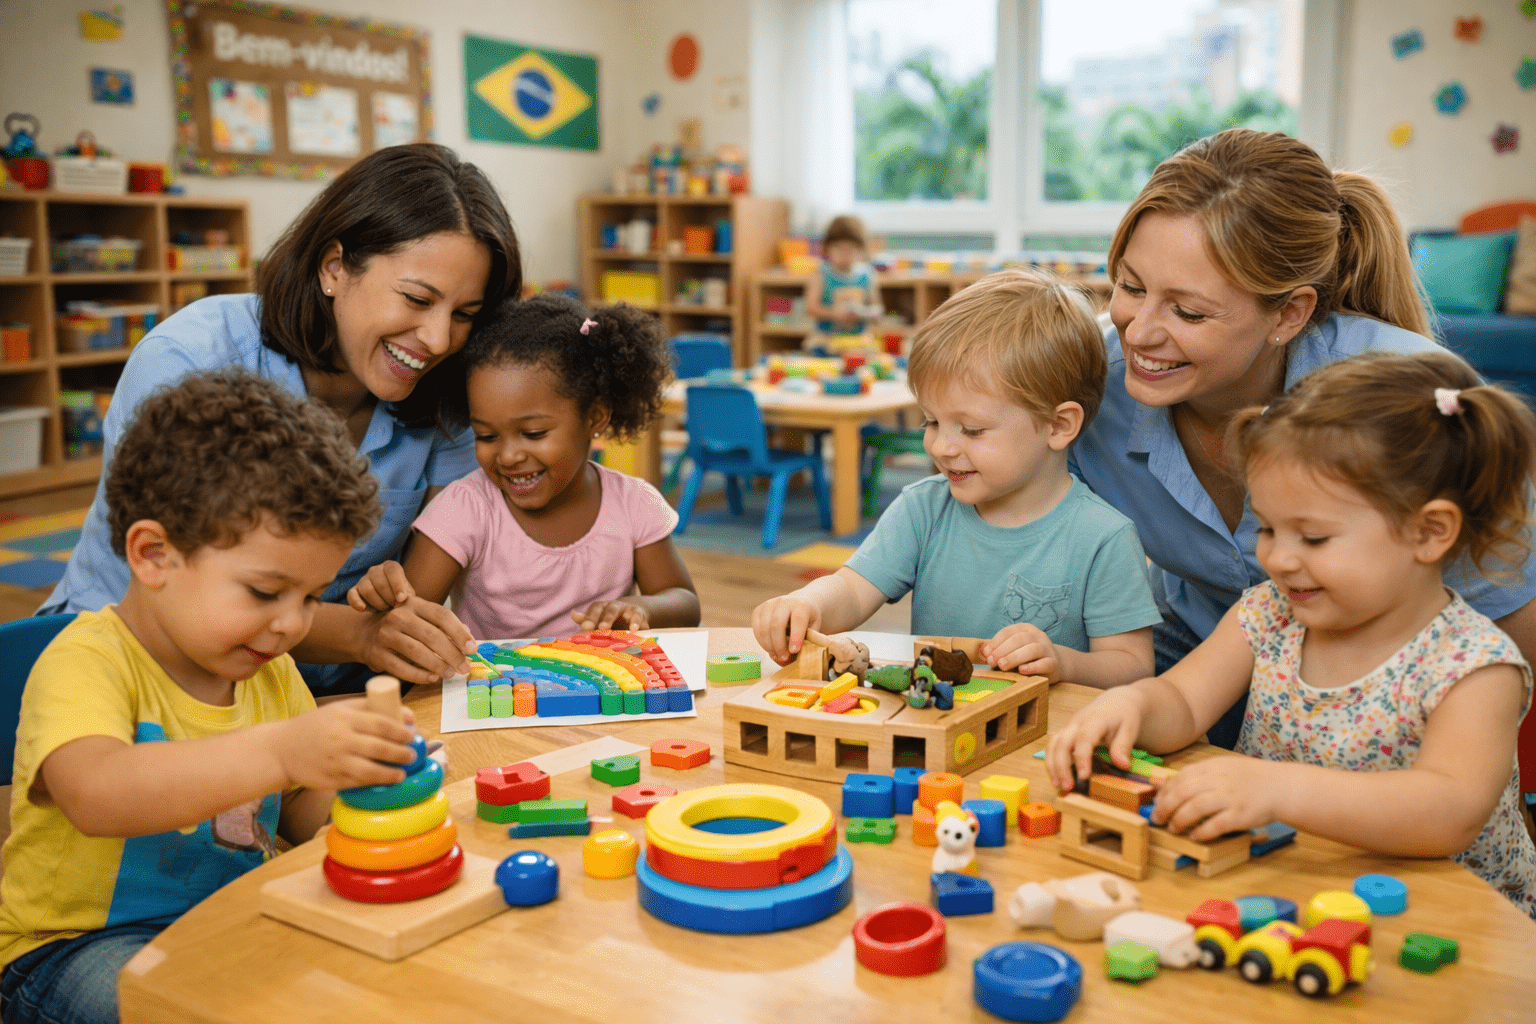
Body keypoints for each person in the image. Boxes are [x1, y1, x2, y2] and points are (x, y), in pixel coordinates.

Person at [1069, 127, 1536, 747]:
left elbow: (1508, 626)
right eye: (1130, 287)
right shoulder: (1087, 386)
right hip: (1196, 657)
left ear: (1289, 313)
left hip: (1383, 706)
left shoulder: (1409, 404)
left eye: (1188, 311)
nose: (1138, 331)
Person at [0, 371, 424, 1024]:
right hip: (75, 948)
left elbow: (296, 807)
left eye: (311, 597)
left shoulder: (268, 668)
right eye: (265, 592)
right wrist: (283, 750)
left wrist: (365, 792)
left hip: (236, 918)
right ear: (153, 555)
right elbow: (94, 792)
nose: (291, 624)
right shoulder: (88, 661)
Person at [1049, 351, 1536, 919]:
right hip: (1295, 888)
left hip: (1448, 920)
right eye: (1268, 528)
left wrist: (1278, 790)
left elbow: (1449, 811)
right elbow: (1182, 701)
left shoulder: (1475, 666)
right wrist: (1131, 705)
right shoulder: (1269, 613)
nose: (1277, 558)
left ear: (1428, 532)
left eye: (1313, 538)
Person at [39, 143, 522, 697]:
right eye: (416, 299)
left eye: (465, 315)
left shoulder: (448, 392)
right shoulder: (190, 358)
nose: (438, 339)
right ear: (334, 267)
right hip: (149, 673)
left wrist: (397, 619)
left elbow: (416, 595)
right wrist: (361, 633)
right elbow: (187, 594)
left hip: (318, 687)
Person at [753, 270, 1161, 687]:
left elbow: (1131, 667)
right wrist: (808, 603)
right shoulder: (923, 508)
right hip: (935, 719)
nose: (941, 446)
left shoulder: (1104, 537)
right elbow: (853, 591)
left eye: (971, 430)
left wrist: (1064, 663)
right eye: (931, 421)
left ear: (1058, 426)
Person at [346, 294, 701, 640]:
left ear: (594, 417)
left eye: (533, 434)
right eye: (486, 436)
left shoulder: (634, 504)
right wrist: (388, 596)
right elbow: (407, 620)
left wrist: (643, 608)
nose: (508, 456)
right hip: (496, 682)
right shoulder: (465, 509)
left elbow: (684, 603)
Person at [805, 215, 879, 336]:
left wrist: (862, 313)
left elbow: (877, 309)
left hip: (858, 338)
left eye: (850, 249)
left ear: (861, 250)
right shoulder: (821, 273)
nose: (845, 254)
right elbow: (810, 308)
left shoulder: (867, 274)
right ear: (827, 248)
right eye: (839, 248)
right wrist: (833, 314)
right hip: (825, 337)